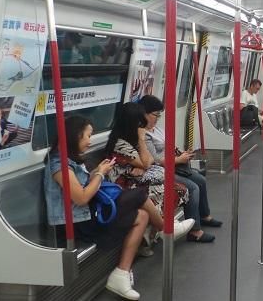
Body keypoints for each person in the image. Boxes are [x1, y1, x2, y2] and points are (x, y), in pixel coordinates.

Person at [44, 116, 188, 300]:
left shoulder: (70, 160)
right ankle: (166, 228)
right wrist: (100, 175)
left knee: (142, 216)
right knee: (139, 195)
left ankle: (120, 274)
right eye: (87, 136)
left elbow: (81, 189)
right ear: (75, 137)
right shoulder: (59, 165)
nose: (90, 141)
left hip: (88, 214)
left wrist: (97, 172)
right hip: (76, 224)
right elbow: (81, 198)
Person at [104, 103, 195, 253]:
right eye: (140, 124)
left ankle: (151, 234)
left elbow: (149, 161)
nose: (143, 127)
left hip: (134, 180)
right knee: (160, 189)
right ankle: (165, 229)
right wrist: (141, 140)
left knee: (175, 188)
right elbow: (147, 161)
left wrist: (141, 165)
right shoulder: (120, 143)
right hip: (121, 185)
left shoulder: (130, 140)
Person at [139, 95, 221, 243]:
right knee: (192, 187)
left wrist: (181, 154)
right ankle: (195, 231)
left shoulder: (156, 129)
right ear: (144, 113)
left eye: (159, 115)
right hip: (161, 171)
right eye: (155, 115)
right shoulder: (144, 135)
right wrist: (178, 159)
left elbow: (168, 146)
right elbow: (154, 161)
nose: (157, 118)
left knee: (200, 179)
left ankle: (204, 215)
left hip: (174, 165)